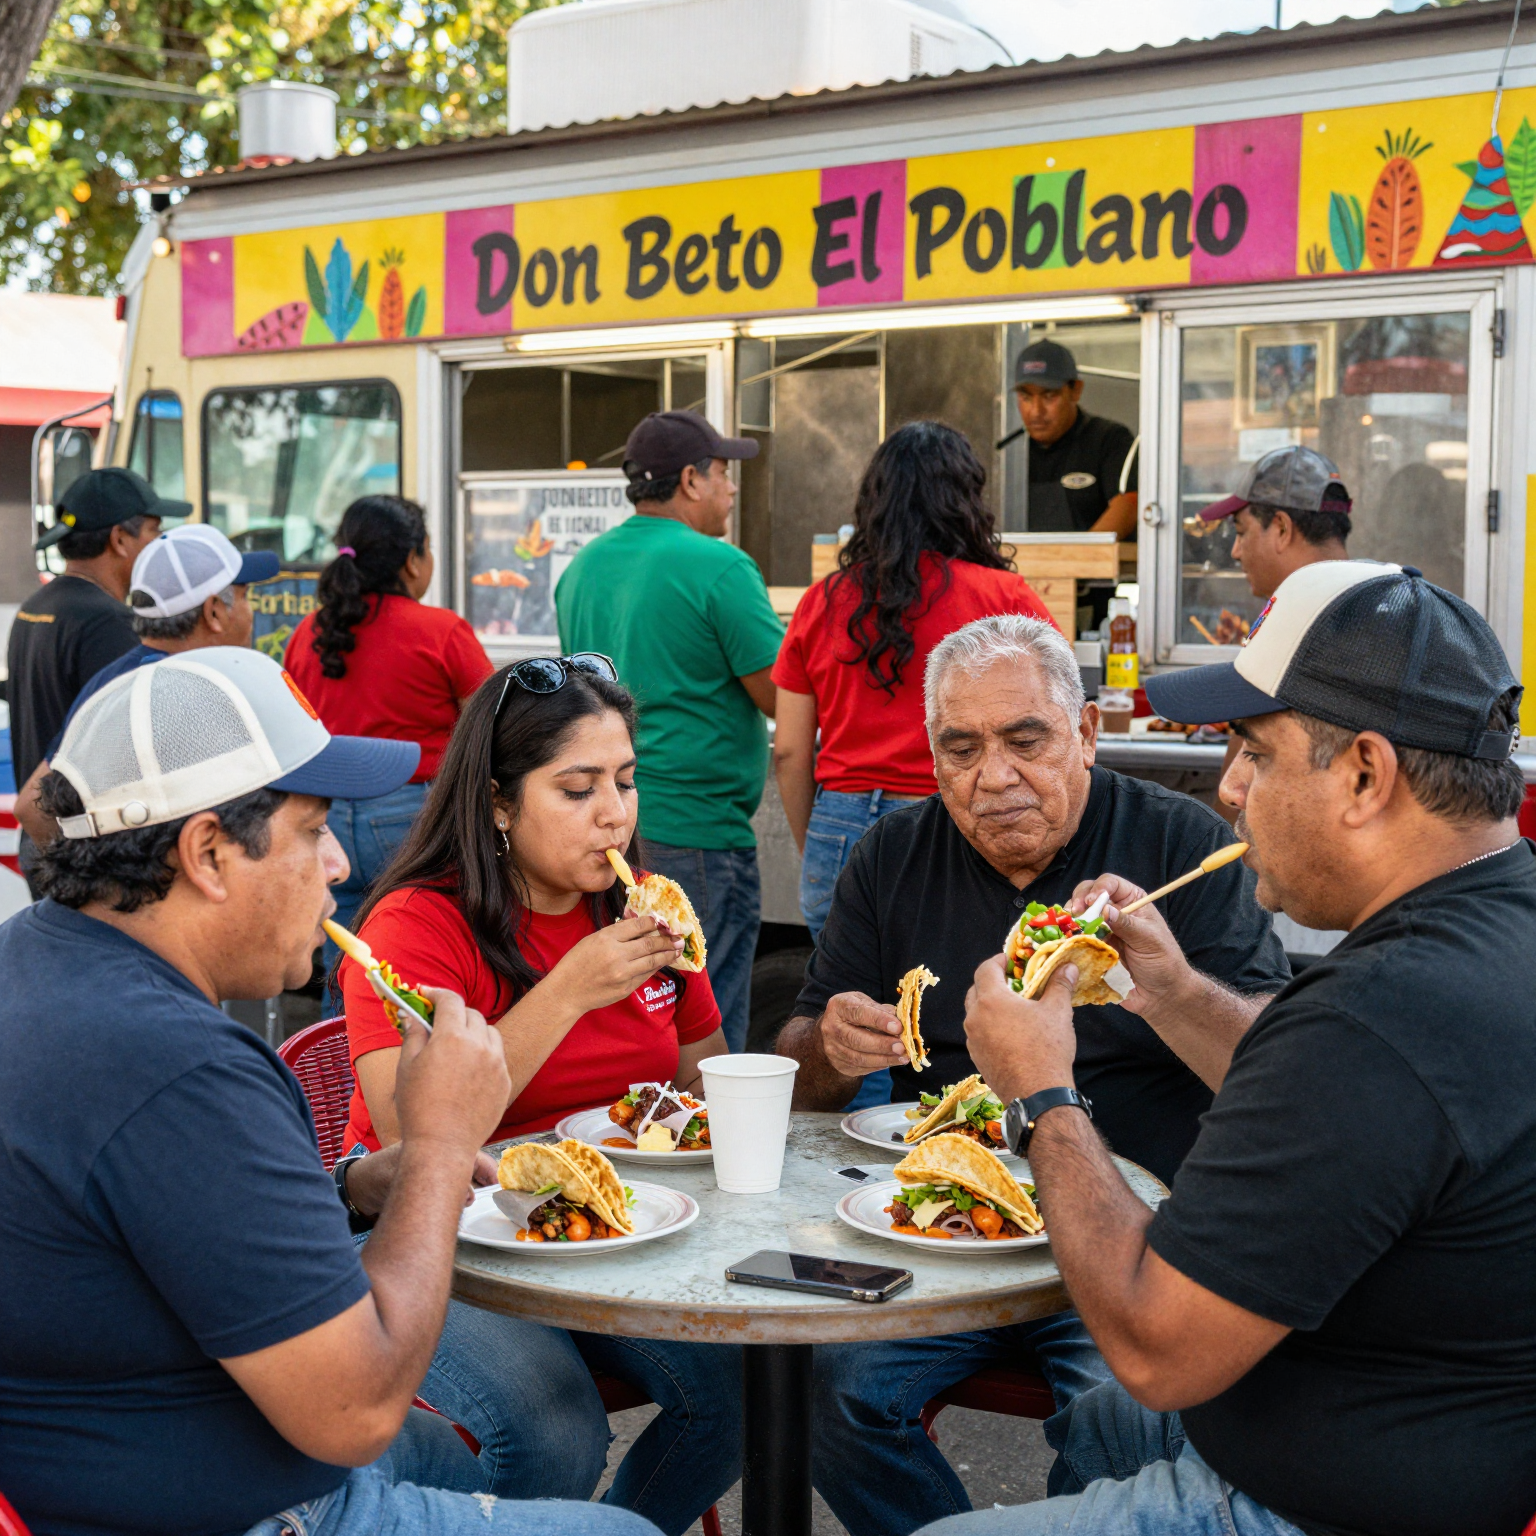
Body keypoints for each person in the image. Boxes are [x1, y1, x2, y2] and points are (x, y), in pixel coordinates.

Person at [924, 559, 1536, 1536]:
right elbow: (1350, 1109)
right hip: (1391, 1425)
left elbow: (1152, 1343)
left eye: (1253, 751)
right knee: (1100, 1425)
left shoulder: (1376, 1019)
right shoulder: (1499, 919)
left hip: (1307, 1502)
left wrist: (1040, 1088)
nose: (1230, 790)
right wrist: (1166, 993)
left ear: (1366, 774)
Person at [0, 646, 658, 1536]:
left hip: (120, 1443)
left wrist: (352, 1186)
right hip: (241, 1499)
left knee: (533, 1448)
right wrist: (437, 1147)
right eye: (313, 831)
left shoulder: (37, 959)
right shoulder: (183, 1068)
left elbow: (163, 1214)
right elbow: (356, 1413)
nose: (341, 864)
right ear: (207, 853)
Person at [777, 613, 1289, 1536]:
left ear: (1086, 733)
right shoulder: (890, 854)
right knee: (822, 1388)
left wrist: (1167, 990)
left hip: (1130, 1232)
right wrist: (830, 1049)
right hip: (932, 1231)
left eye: (1027, 739)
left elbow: (1279, 1062)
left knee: (1123, 1417)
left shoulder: (1178, 845)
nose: (994, 777)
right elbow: (797, 1066)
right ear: (932, 759)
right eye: (961, 748)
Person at [337, 654, 741, 1534]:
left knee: (754, 1387)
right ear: (496, 803)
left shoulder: (646, 914)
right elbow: (414, 1133)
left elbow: (700, 1087)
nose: (615, 814)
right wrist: (566, 992)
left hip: (614, 1224)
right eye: (577, 788)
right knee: (550, 1427)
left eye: (627, 782)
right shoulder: (414, 924)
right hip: (445, 1235)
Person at [772, 421, 1054, 1106]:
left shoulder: (822, 602)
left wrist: (818, 844)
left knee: (850, 1028)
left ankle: (857, 1174)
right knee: (954, 1004)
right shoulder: (1001, 598)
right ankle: (956, 1150)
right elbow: (1049, 705)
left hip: (838, 821)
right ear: (967, 499)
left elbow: (788, 746)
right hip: (949, 826)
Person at [556, 409, 784, 1050]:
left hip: (607, 826)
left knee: (631, 1015)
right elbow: (780, 694)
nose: (732, 489)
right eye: (724, 473)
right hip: (699, 831)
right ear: (690, 479)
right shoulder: (721, 567)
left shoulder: (582, 568)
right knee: (708, 1024)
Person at [285, 494, 493, 948]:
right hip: (416, 816)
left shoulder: (308, 633)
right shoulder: (442, 631)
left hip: (327, 818)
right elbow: (493, 727)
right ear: (413, 560)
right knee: (425, 946)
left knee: (344, 950)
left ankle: (344, 1023)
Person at [12, 521, 279, 849]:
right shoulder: (192, 696)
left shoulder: (112, 682)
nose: (250, 612)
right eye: (244, 596)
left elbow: (32, 807)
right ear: (213, 612)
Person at [7, 466, 176, 891]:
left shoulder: (35, 607)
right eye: (154, 532)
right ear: (120, 539)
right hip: (82, 850)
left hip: (43, 839)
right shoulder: (108, 623)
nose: (160, 546)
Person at [1195, 443, 1352, 826]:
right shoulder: (1375, 604)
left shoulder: (1296, 621)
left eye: (1241, 531)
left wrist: (1220, 874)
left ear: (1280, 528)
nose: (1235, 551)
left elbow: (1240, 792)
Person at [1013, 340, 1137, 536]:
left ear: (1076, 390)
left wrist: (1081, 557)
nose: (1036, 412)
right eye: (1026, 398)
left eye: (1049, 396)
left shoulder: (1109, 440)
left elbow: (1129, 503)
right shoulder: (1009, 453)